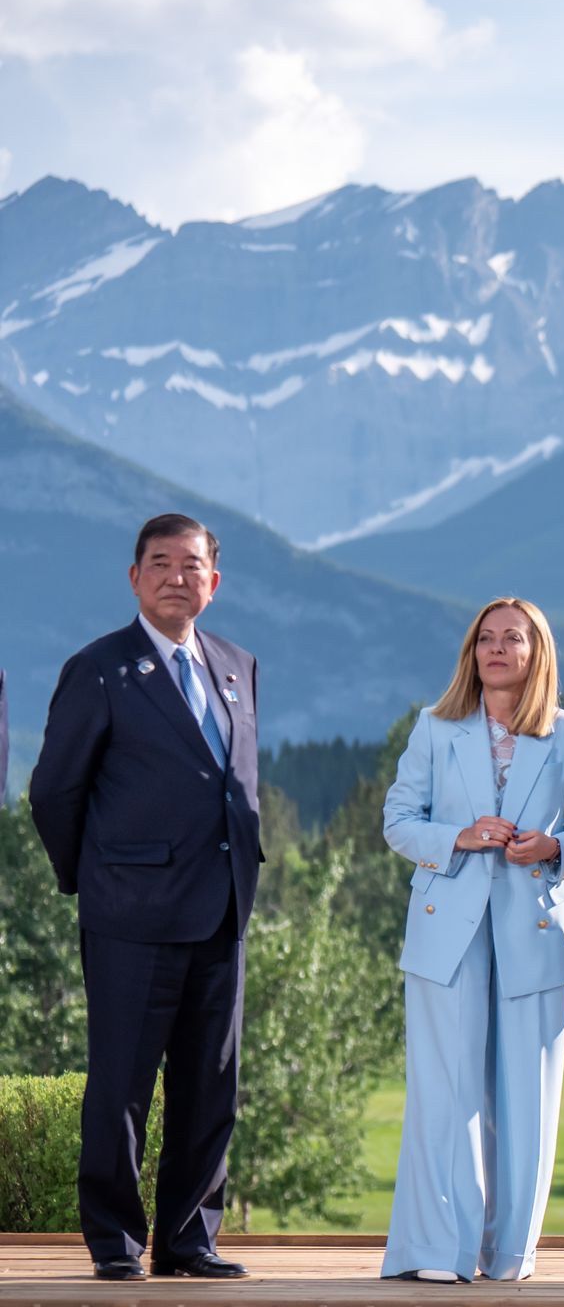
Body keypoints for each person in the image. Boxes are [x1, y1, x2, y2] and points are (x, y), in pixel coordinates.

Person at [29, 514, 262, 1282]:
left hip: (221, 911)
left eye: (191, 565)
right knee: (122, 1085)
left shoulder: (237, 664)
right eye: (159, 563)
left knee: (210, 1084)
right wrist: (92, 878)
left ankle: (190, 1241)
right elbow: (56, 793)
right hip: (129, 913)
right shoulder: (99, 668)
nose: (176, 577)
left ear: (213, 583)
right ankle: (116, 1242)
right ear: (134, 578)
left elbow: (235, 786)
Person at [379, 597, 564, 1283]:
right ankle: (439, 1254)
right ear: (471, 653)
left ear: (539, 653)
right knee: (445, 1092)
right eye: (486, 639)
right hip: (445, 929)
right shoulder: (434, 727)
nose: (497, 649)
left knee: (528, 1100)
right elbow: (398, 821)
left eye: (513, 638)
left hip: (534, 927)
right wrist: (461, 835)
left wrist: (552, 847)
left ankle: (510, 1257)